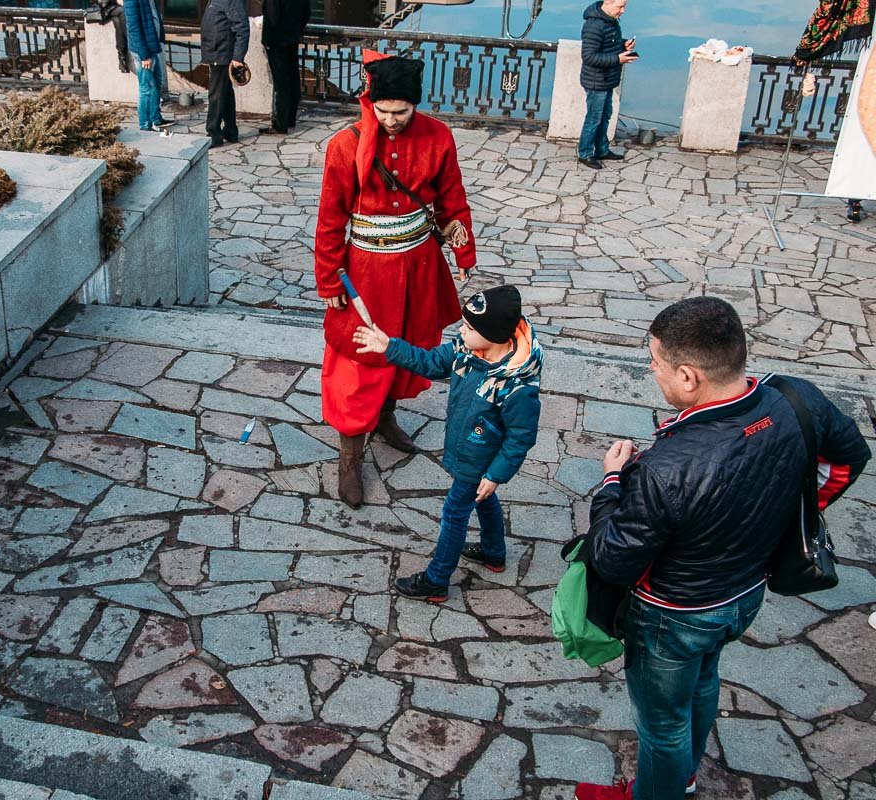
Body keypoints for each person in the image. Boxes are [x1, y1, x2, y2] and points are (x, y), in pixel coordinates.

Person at [574, 297, 870, 800]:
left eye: (656, 362)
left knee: (662, 724)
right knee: (705, 677)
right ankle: (684, 777)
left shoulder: (665, 469)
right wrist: (789, 514)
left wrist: (610, 483)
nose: (652, 370)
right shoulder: (799, 398)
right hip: (745, 593)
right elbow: (849, 457)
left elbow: (612, 559)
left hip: (674, 613)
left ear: (688, 376)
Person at [315, 49, 476, 508]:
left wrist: (464, 252)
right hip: (365, 272)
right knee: (357, 361)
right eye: (382, 111)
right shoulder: (344, 146)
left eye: (400, 111)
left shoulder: (438, 136)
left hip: (421, 265)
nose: (390, 120)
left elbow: (451, 198)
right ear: (371, 102)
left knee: (406, 348)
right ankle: (350, 456)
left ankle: (385, 418)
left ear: (415, 105)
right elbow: (330, 220)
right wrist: (329, 281)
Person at [353, 285, 542, 599]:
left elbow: (521, 437)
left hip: (481, 455)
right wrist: (389, 346)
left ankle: (437, 579)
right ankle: (494, 552)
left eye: (469, 327)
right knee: (482, 497)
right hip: (466, 448)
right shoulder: (465, 350)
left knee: (455, 512)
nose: (461, 331)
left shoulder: (517, 386)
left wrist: (496, 474)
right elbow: (428, 362)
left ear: (493, 335)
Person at [577, 0, 637, 170]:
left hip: (607, 79)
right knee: (594, 119)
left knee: (605, 116)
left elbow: (608, 45)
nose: (623, 11)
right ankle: (585, 153)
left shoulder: (611, 21)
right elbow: (589, 57)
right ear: (608, 3)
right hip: (596, 81)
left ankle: (602, 149)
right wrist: (618, 59)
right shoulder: (594, 25)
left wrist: (623, 44)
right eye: (620, 6)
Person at [200, 0, 248, 147]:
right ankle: (230, 131)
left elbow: (242, 28)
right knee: (225, 93)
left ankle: (213, 133)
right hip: (216, 52)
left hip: (222, 54)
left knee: (216, 95)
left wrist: (238, 57)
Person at [261, 0, 310, 134]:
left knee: (281, 83)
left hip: (277, 42)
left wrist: (267, 41)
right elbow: (307, 13)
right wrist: (297, 31)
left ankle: (281, 123)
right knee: (292, 78)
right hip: (292, 38)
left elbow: (273, 18)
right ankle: (290, 118)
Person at [124, 0, 173, 132]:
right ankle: (145, 125)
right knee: (146, 88)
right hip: (143, 52)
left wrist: (160, 40)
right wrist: (144, 55)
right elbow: (134, 28)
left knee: (157, 83)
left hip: (154, 47)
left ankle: (156, 118)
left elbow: (155, 18)